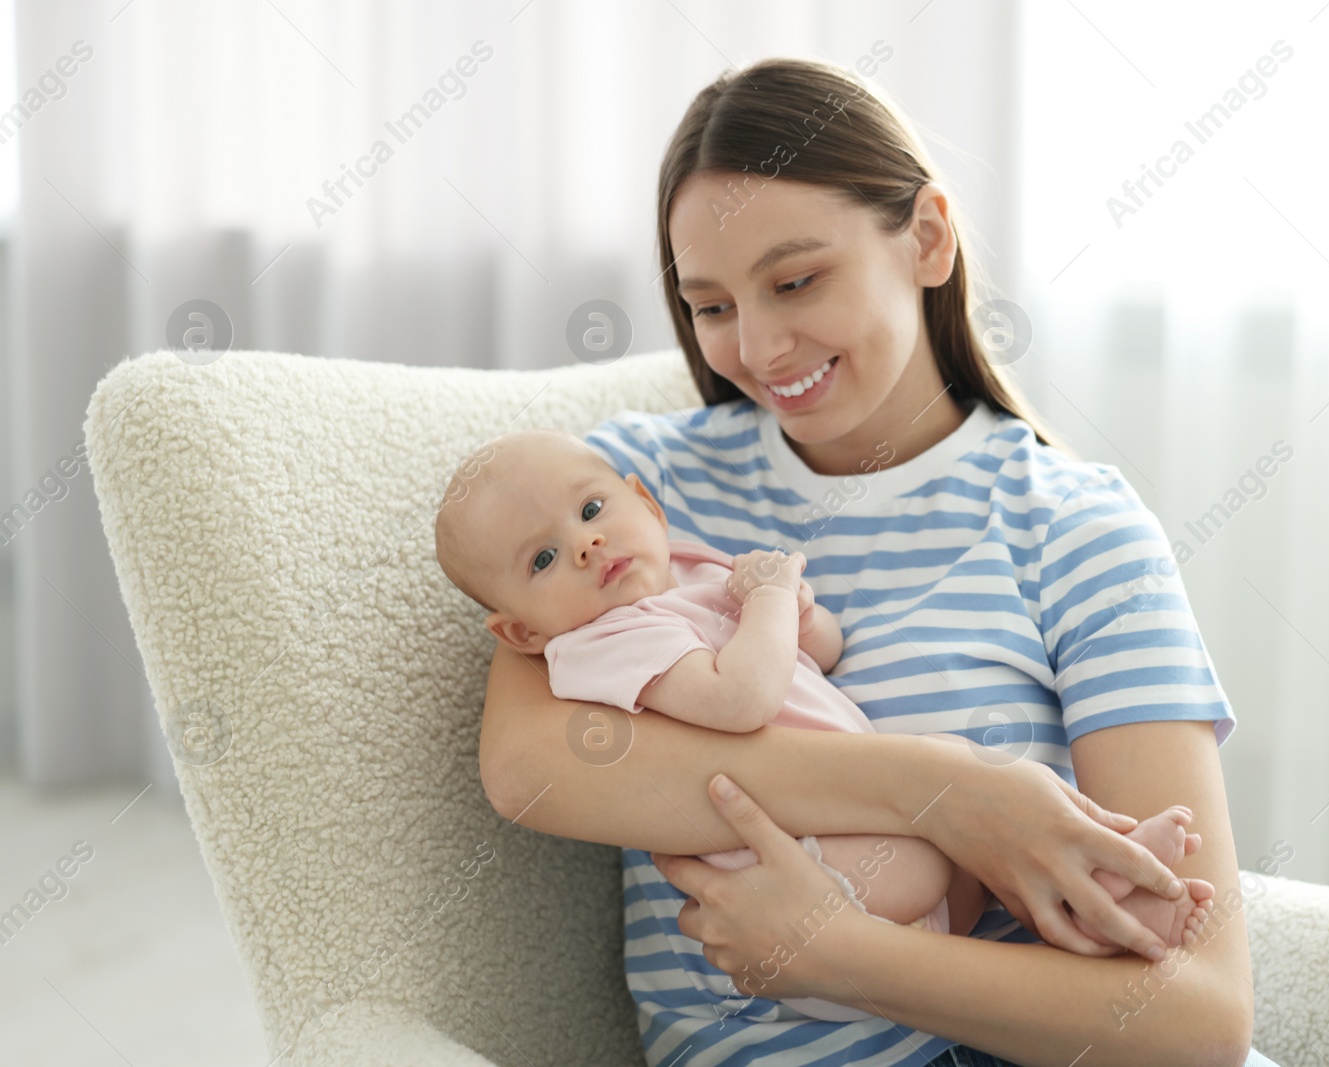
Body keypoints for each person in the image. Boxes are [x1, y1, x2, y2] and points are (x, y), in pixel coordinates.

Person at [477, 56, 1281, 1066]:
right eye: (712, 305)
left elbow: (1200, 1017)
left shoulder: (1078, 530)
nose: (762, 346)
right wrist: (941, 786)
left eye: (798, 279)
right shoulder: (628, 497)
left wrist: (839, 951)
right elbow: (531, 769)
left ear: (928, 239)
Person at [435, 429, 1217, 1025]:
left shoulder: (690, 572)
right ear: (521, 636)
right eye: (542, 560)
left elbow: (823, 653)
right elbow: (739, 698)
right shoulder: (603, 642)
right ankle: (1106, 891)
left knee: (996, 810)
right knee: (950, 807)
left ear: (645, 500)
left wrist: (800, 618)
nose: (583, 542)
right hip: (803, 867)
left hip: (872, 850)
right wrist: (772, 601)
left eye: (593, 509)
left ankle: (1110, 881)